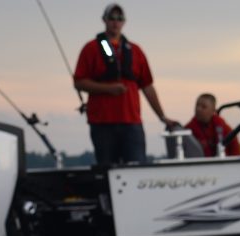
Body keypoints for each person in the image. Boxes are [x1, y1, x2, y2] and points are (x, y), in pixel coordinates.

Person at [73, 4, 177, 165]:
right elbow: (79, 82)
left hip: (131, 123)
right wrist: (108, 89)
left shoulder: (135, 50)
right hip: (102, 123)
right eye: (112, 18)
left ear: (124, 22)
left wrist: (162, 117)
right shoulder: (91, 48)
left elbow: (148, 86)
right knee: (107, 170)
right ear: (104, 20)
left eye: (119, 19)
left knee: (136, 167)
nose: (115, 22)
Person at [184, 93, 240, 158]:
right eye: (197, 105)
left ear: (213, 110)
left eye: (203, 107)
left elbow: (235, 150)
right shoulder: (188, 130)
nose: (198, 109)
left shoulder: (224, 128)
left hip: (225, 165)